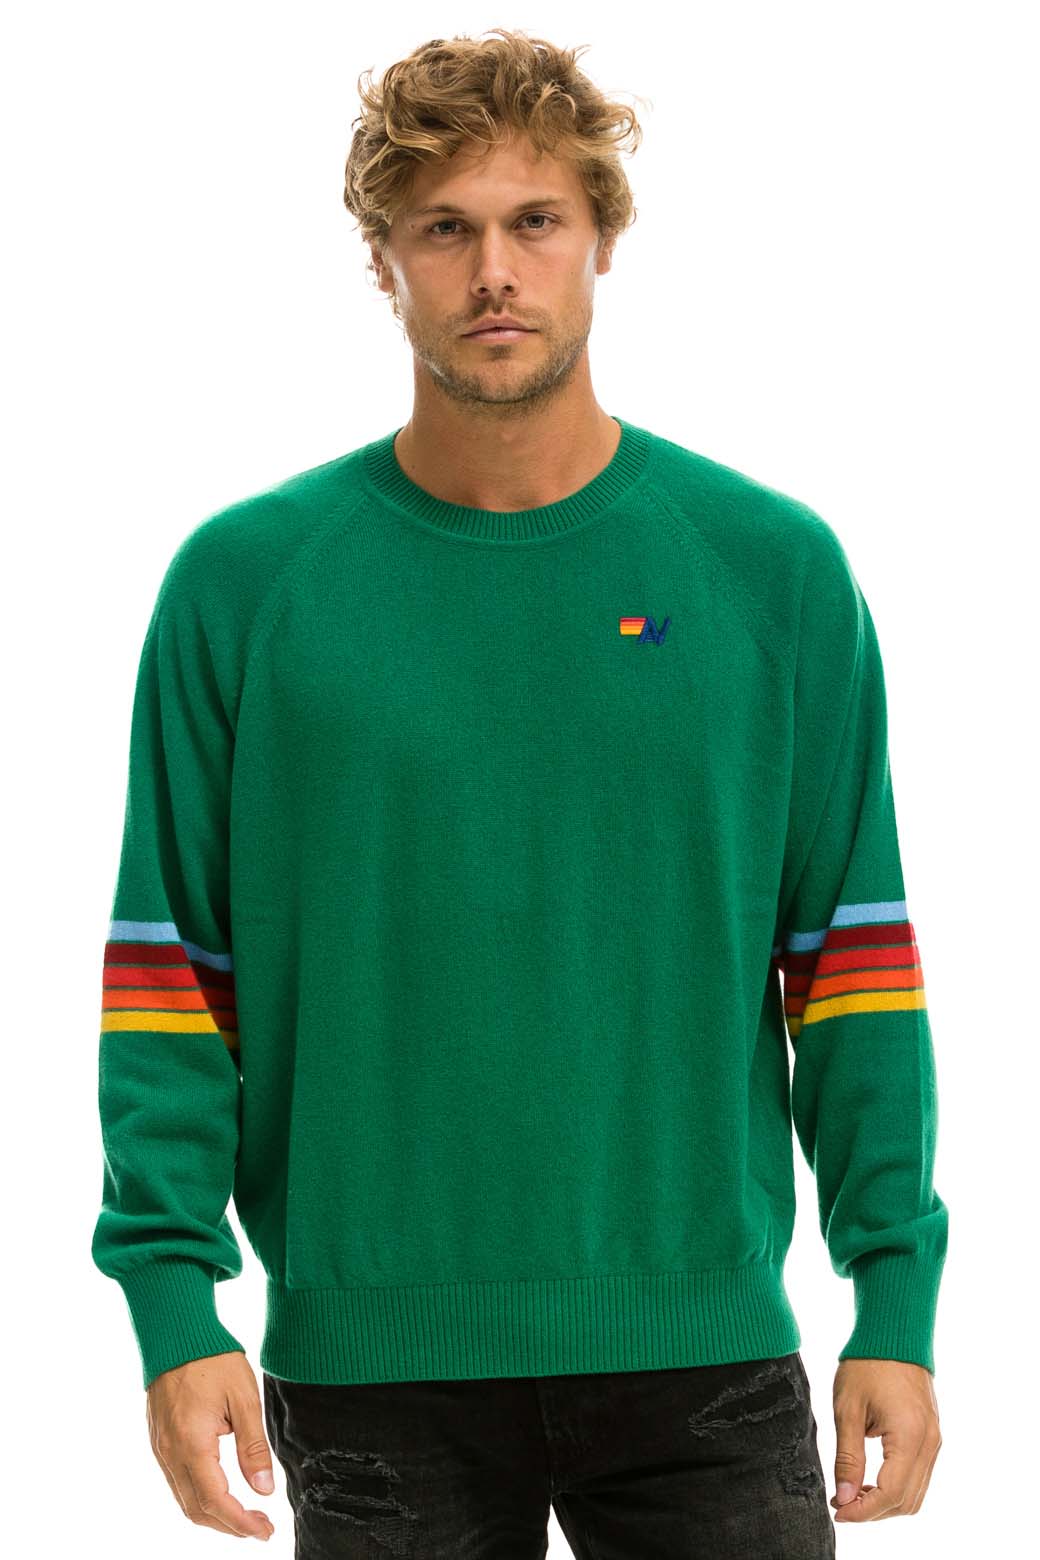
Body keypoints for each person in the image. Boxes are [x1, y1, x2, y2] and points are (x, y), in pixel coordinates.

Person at [90, 26, 947, 1558]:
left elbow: (855, 967)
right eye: (445, 228)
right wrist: (172, 1301)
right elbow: (168, 980)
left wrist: (895, 1297)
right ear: (383, 260)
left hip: (702, 1358)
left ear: (602, 237)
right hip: (370, 1371)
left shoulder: (770, 573)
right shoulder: (245, 586)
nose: (494, 271)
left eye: (535, 220)